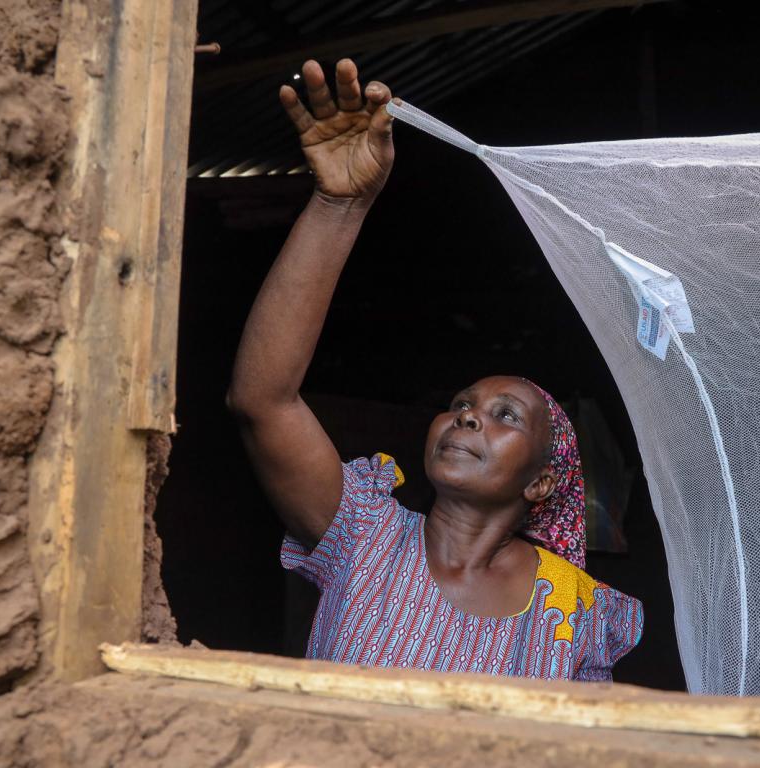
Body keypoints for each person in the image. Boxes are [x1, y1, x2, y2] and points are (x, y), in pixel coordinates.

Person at [227, 58, 642, 680]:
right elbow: (263, 400)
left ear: (541, 484)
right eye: (462, 403)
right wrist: (338, 204)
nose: (469, 416)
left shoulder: (575, 613)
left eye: (506, 417)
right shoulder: (363, 535)